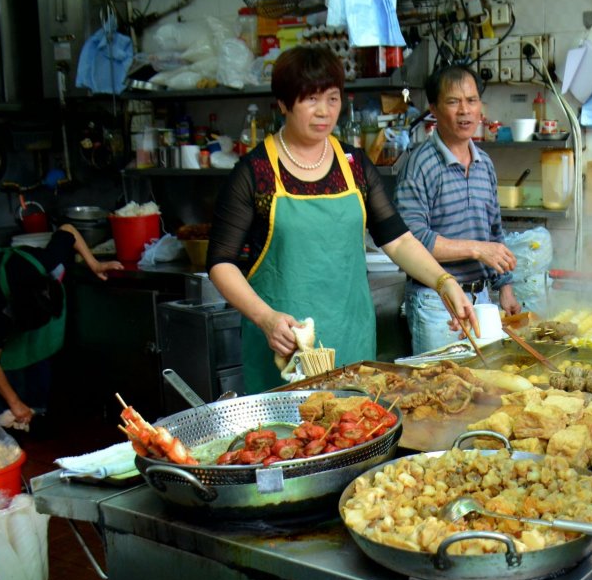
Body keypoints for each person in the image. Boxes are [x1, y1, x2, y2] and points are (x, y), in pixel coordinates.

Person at [208, 47, 474, 392]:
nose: (324, 111)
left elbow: (397, 239)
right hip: (285, 348)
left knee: (354, 433)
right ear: (285, 104)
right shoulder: (255, 171)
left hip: (352, 342)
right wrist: (265, 318)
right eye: (311, 99)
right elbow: (220, 262)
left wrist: (444, 282)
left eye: (333, 99)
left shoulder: (354, 165)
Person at [395, 64, 521, 354]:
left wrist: (505, 287)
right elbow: (410, 240)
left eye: (471, 100)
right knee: (440, 388)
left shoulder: (484, 164)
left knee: (485, 387)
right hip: (435, 302)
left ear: (481, 107)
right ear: (434, 110)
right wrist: (476, 249)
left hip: (482, 299)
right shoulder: (420, 164)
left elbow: (494, 233)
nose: (464, 110)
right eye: (453, 102)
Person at [0, 224, 122, 426]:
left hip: (25, 274)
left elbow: (68, 229)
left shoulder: (46, 263)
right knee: (6, 404)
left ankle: (38, 412)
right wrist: (15, 403)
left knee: (38, 382)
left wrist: (94, 264)